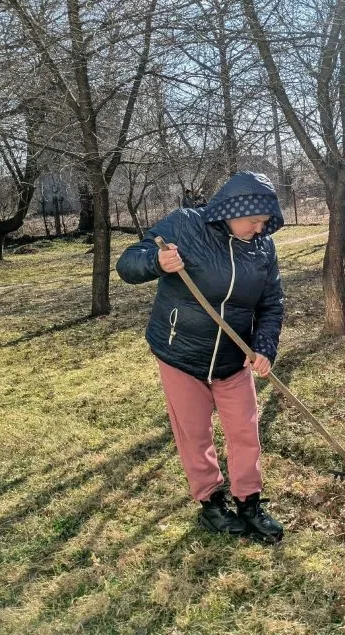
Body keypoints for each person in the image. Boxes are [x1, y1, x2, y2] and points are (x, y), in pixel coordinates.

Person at [115, 171, 285, 543]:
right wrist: (157, 263)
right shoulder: (187, 225)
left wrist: (264, 346)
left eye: (264, 223)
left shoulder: (263, 249)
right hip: (181, 354)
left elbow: (271, 303)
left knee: (244, 430)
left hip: (233, 358)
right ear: (231, 209)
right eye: (253, 221)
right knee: (194, 434)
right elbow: (128, 263)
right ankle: (211, 504)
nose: (259, 229)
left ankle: (249, 502)